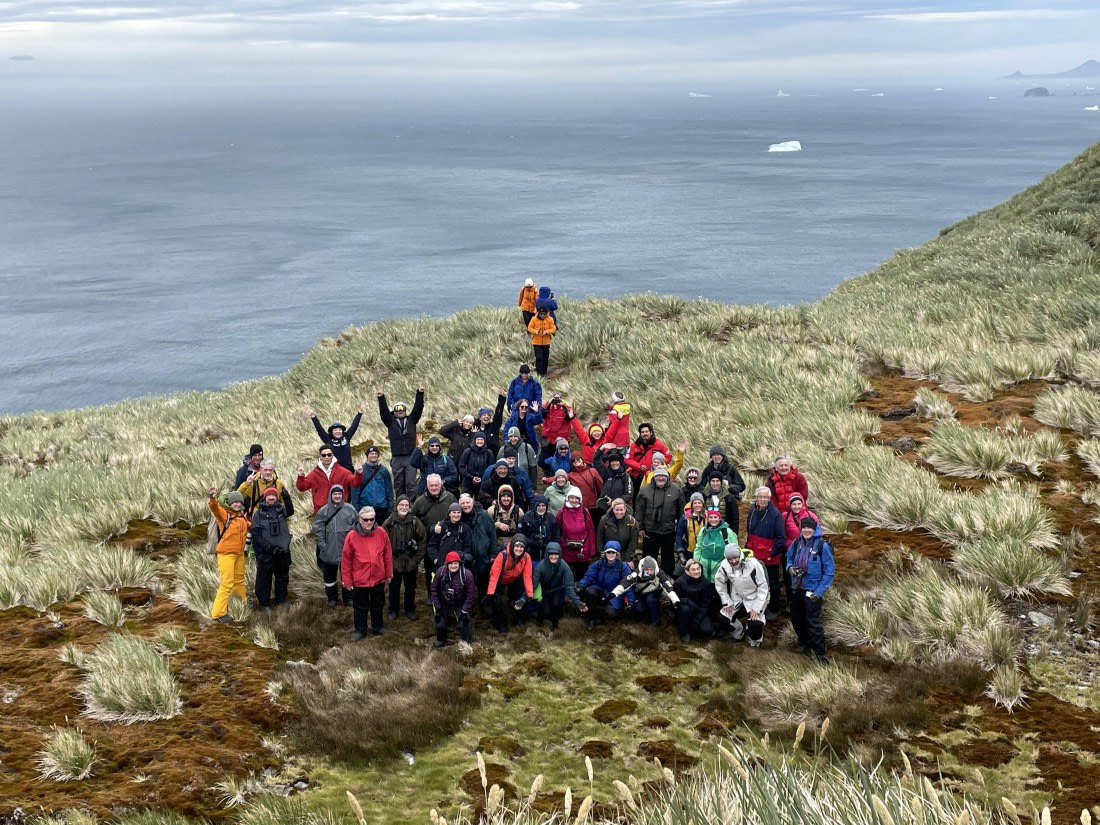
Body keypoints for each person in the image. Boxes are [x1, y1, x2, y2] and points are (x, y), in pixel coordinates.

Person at [786, 517, 835, 665]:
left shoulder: (822, 546)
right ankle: (805, 642)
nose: (806, 530)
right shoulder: (796, 544)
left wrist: (819, 592)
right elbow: (788, 559)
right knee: (796, 618)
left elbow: (829, 572)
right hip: (797, 588)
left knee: (813, 623)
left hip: (813, 591)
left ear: (814, 529)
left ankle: (820, 654)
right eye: (804, 528)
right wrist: (790, 568)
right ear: (801, 529)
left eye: (809, 528)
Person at [342, 506, 394, 640]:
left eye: (372, 519)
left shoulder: (381, 532)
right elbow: (346, 560)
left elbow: (387, 555)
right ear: (360, 520)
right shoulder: (351, 536)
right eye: (366, 519)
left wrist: (389, 573)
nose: (369, 522)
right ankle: (360, 630)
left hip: (378, 578)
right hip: (360, 580)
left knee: (378, 605)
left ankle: (378, 627)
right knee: (360, 607)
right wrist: (347, 581)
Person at [207, 488, 250, 623]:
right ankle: (218, 614)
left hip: (239, 554)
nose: (237, 504)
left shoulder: (241, 516)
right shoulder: (224, 514)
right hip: (226, 554)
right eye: (235, 502)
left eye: (239, 502)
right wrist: (212, 498)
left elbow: (250, 526)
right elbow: (214, 509)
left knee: (239, 581)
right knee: (227, 583)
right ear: (230, 503)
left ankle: (241, 605)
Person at [714, 545, 770, 647]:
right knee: (723, 617)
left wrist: (757, 608)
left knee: (755, 624)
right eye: (730, 559)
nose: (733, 561)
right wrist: (726, 601)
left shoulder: (754, 564)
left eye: (735, 558)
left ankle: (755, 642)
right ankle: (739, 633)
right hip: (737, 596)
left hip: (756, 597)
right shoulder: (724, 565)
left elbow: (764, 587)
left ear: (739, 555)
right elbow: (719, 582)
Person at [744, 487, 787, 621]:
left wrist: (772, 553)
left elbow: (781, 538)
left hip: (770, 557)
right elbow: (749, 533)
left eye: (765, 497)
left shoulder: (775, 514)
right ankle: (758, 606)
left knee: (773, 584)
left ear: (769, 498)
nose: (762, 499)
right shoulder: (752, 511)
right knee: (756, 583)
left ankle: (775, 609)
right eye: (760, 497)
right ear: (756, 498)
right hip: (754, 555)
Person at [313, 484, 358, 608]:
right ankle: (332, 599)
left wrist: (354, 546)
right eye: (335, 494)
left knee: (347, 575)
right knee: (329, 578)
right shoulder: (323, 510)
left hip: (347, 550)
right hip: (328, 550)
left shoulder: (351, 509)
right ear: (331, 495)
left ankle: (348, 599)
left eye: (339, 494)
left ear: (343, 495)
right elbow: (318, 529)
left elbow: (357, 526)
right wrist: (323, 546)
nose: (337, 496)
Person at [377, 385, 425, 499]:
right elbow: (384, 413)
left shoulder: (412, 420)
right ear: (393, 412)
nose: (400, 411)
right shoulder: (390, 422)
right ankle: (400, 505)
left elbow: (418, 408)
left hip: (410, 457)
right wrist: (381, 398)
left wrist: (420, 393)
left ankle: (412, 506)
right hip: (397, 457)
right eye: (397, 409)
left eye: (402, 409)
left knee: (411, 484)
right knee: (398, 484)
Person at [383, 495, 427, 621]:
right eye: (401, 505)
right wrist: (391, 561)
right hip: (394, 561)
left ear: (409, 507)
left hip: (410, 562)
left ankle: (410, 609)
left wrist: (415, 561)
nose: (404, 507)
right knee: (393, 588)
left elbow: (423, 541)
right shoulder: (389, 522)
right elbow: (383, 544)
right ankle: (393, 609)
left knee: (410, 588)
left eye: (406, 505)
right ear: (396, 506)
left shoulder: (414, 521)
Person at [635, 466, 684, 575]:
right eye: (658, 475)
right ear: (654, 476)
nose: (661, 478)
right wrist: (640, 528)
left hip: (669, 531)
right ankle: (647, 579)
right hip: (650, 530)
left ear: (667, 477)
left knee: (668, 558)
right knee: (648, 557)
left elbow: (681, 512)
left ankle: (668, 581)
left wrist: (680, 530)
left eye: (663, 476)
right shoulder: (644, 490)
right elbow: (639, 510)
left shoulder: (676, 490)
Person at [250, 486, 292, 610]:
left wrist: (287, 498)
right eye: (269, 495)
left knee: (282, 578)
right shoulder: (258, 515)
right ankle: (265, 604)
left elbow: (290, 511)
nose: (272, 497)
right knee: (264, 579)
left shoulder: (281, 510)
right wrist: (270, 548)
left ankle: (281, 600)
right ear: (265, 497)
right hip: (266, 553)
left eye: (274, 495)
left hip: (283, 551)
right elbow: (256, 536)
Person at [411, 474, 456, 590]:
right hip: (429, 543)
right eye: (431, 485)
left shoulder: (450, 498)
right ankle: (432, 593)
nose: (434, 487)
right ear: (427, 486)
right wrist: (428, 530)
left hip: (449, 540)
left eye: (436, 485)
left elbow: (458, 515)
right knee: (430, 569)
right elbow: (413, 522)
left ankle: (449, 592)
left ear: (441, 485)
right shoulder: (420, 501)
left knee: (450, 567)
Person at [577, 543, 633, 630]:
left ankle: (609, 611)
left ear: (617, 554)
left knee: (611, 614)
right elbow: (588, 577)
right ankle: (591, 619)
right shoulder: (598, 564)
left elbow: (628, 584)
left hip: (615, 594)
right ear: (605, 553)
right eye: (608, 552)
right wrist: (580, 585)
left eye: (613, 552)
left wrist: (631, 601)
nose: (610, 554)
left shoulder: (623, 566)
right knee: (590, 592)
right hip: (600, 589)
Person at [611, 555, 679, 626]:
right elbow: (625, 583)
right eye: (647, 569)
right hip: (640, 592)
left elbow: (668, 587)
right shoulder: (636, 573)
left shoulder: (659, 573)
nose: (649, 572)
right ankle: (642, 618)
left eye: (651, 569)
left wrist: (675, 601)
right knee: (638, 609)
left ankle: (655, 621)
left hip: (654, 590)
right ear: (643, 568)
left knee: (650, 599)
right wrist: (613, 594)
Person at [485, 535, 534, 634]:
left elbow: (527, 577)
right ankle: (500, 624)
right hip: (500, 580)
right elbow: (494, 575)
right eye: (517, 546)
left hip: (515, 579)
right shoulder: (502, 555)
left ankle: (518, 619)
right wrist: (490, 593)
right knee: (497, 602)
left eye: (522, 547)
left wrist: (529, 594)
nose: (519, 549)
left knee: (520, 598)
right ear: (512, 546)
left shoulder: (527, 557)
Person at [531, 543, 587, 630]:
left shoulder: (564, 566)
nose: (553, 556)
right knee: (546, 612)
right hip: (544, 590)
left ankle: (555, 624)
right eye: (551, 554)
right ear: (547, 554)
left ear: (560, 554)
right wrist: (523, 599)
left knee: (556, 605)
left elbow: (570, 588)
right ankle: (540, 619)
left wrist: (578, 603)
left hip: (557, 588)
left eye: (556, 554)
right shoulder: (540, 566)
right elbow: (533, 584)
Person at [296, 447, 363, 515]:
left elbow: (355, 483)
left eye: (329, 455)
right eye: (324, 455)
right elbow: (302, 487)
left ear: (332, 455)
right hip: (321, 512)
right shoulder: (314, 473)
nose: (326, 457)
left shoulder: (342, 471)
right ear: (320, 457)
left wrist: (359, 473)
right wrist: (300, 476)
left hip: (339, 510)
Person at [431, 551, 477, 647]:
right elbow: (434, 590)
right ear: (446, 564)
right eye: (451, 563)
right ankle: (440, 639)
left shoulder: (467, 575)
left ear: (459, 564)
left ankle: (467, 641)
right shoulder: (440, 572)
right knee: (440, 623)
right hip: (444, 601)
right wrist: (438, 608)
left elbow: (470, 595)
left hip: (460, 602)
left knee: (464, 623)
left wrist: (465, 611)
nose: (453, 566)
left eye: (456, 563)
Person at [304, 402, 366, 471]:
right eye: (335, 430)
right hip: (335, 471)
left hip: (349, 470)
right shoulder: (328, 440)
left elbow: (354, 426)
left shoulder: (346, 437)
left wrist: (360, 413)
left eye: (340, 429)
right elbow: (319, 430)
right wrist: (313, 416)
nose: (338, 431)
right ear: (332, 432)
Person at [458, 493, 497, 598]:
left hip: (483, 556)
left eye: (468, 502)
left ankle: (483, 603)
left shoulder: (484, 514)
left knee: (483, 583)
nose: (466, 505)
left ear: (473, 501)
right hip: (466, 557)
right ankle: (468, 606)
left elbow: (492, 534)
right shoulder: (457, 517)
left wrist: (493, 554)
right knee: (467, 584)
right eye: (463, 503)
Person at [558, 486, 596, 580]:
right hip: (567, 549)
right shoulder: (562, 512)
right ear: (568, 498)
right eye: (572, 498)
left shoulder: (584, 511)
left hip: (583, 549)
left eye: (576, 498)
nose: (574, 500)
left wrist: (592, 550)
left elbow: (590, 530)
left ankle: (580, 590)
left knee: (582, 574)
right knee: (567, 574)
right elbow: (558, 531)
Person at [351, 445, 395, 526]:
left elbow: (389, 491)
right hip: (365, 507)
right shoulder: (361, 470)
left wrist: (391, 509)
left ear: (378, 455)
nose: (373, 455)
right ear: (367, 455)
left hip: (381, 508)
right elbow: (355, 490)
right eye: (371, 453)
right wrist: (356, 509)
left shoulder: (384, 470)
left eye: (375, 453)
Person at [692, 507, 738, 582]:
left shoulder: (727, 532)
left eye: (715, 517)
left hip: (720, 568)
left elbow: (734, 551)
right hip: (704, 568)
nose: (713, 520)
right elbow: (698, 547)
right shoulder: (703, 531)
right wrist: (697, 563)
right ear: (708, 518)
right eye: (711, 517)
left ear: (720, 518)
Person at [428, 501, 474, 575]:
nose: (456, 515)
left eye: (458, 512)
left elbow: (467, 546)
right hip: (441, 565)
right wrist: (436, 559)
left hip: (458, 566)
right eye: (454, 512)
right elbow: (432, 545)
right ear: (449, 513)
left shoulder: (465, 528)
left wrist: (463, 560)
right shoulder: (441, 526)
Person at [673, 559, 713, 642]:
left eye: (698, 569)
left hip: (699, 611)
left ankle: (693, 626)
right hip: (684, 610)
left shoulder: (705, 583)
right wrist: (687, 601)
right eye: (693, 569)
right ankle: (682, 630)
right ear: (687, 571)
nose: (697, 571)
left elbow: (706, 603)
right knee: (685, 609)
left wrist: (696, 621)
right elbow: (675, 599)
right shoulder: (679, 582)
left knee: (707, 630)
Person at [627, 423, 669, 491]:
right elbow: (628, 459)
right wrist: (639, 466)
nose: (644, 434)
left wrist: (658, 465)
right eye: (642, 432)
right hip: (637, 477)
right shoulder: (634, 445)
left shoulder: (658, 444)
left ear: (651, 432)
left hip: (653, 476)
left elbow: (668, 456)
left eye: (646, 431)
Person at [595, 498, 639, 563]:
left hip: (623, 554)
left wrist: (629, 559)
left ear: (625, 509)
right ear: (613, 509)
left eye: (621, 510)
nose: (619, 512)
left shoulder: (632, 522)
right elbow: (599, 538)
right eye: (617, 510)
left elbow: (633, 542)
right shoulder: (604, 519)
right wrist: (602, 554)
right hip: (608, 553)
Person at [518, 495, 561, 562]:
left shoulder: (551, 518)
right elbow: (519, 536)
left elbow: (556, 537)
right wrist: (531, 542)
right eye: (538, 505)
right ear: (534, 506)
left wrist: (549, 545)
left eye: (543, 505)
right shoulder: (526, 518)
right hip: (530, 555)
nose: (541, 508)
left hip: (548, 556)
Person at [593, 447, 633, 514]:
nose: (614, 463)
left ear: (620, 462)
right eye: (612, 461)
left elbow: (628, 494)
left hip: (620, 509)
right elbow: (596, 460)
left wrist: (614, 501)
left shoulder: (625, 476)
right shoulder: (606, 473)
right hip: (605, 508)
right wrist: (601, 449)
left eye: (616, 461)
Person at [538, 393, 575, 466]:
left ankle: (561, 475)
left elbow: (569, 417)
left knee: (563, 462)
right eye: (555, 398)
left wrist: (563, 405)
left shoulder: (566, 407)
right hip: (548, 439)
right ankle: (548, 473)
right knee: (542, 462)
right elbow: (543, 414)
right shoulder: (547, 406)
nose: (556, 400)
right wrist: (549, 403)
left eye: (558, 398)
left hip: (562, 440)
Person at [568, 452, 604, 525]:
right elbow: (560, 478)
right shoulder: (571, 475)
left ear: (582, 459)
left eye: (578, 458)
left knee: (595, 526)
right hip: (580, 507)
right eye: (573, 460)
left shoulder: (592, 471)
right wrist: (546, 479)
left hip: (594, 506)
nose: (576, 461)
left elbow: (601, 487)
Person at [458, 431, 495, 496]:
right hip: (467, 483)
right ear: (475, 440)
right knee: (465, 502)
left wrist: (482, 477)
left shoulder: (489, 453)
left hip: (483, 483)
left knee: (481, 504)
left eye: (481, 439)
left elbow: (491, 469)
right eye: (478, 439)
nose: (480, 441)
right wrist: (470, 477)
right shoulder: (468, 451)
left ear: (484, 441)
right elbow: (461, 466)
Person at [674, 494, 707, 566]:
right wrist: (680, 549)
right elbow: (679, 535)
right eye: (695, 503)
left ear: (703, 504)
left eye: (699, 503)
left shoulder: (707, 517)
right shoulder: (685, 518)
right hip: (689, 550)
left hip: (704, 550)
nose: (697, 505)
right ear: (691, 505)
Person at [487, 483, 524, 548]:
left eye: (509, 496)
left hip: (514, 548)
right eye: (503, 496)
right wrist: (497, 525)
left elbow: (523, 531)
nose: (506, 499)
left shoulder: (519, 512)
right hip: (495, 546)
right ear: (499, 497)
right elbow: (485, 529)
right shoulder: (492, 511)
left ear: (512, 497)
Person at [527, 305, 557, 378]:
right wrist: (535, 331)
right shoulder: (534, 319)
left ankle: (544, 373)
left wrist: (547, 332)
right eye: (541, 314)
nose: (542, 315)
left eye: (544, 314)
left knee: (545, 358)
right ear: (538, 313)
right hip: (536, 342)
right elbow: (529, 328)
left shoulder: (550, 319)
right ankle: (539, 374)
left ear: (547, 313)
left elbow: (553, 329)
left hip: (546, 342)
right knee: (539, 358)